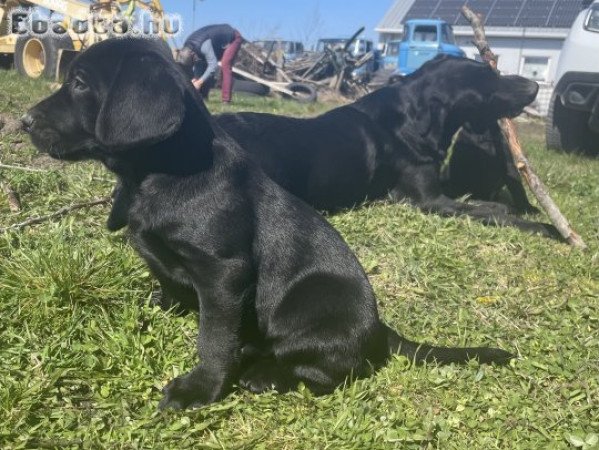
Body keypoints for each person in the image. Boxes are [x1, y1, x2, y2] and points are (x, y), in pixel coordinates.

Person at [177, 24, 244, 103]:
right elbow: (198, 64)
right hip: (219, 44)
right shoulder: (188, 46)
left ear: (192, 55)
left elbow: (213, 65)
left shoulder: (203, 46)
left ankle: (226, 100)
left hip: (234, 38)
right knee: (203, 64)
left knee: (225, 64)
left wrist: (199, 82)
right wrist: (196, 78)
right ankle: (203, 97)